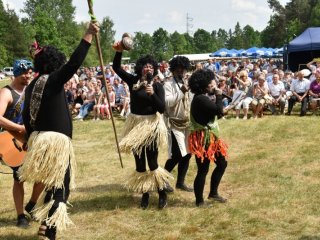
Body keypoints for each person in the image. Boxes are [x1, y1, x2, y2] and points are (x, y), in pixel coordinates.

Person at [19, 22, 99, 240]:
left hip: (40, 141)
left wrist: (30, 139)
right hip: (55, 143)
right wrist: (88, 35)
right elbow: (74, 63)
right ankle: (49, 233)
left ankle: (45, 226)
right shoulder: (53, 81)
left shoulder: (33, 85)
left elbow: (27, 117)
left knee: (53, 186)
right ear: (55, 64)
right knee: (61, 190)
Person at [112, 41, 172, 210]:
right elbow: (116, 68)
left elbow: (162, 109)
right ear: (140, 69)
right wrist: (119, 51)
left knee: (153, 163)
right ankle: (145, 194)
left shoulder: (158, 86)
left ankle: (162, 193)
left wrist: (152, 94)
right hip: (135, 125)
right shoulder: (133, 81)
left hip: (151, 125)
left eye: (151, 66)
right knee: (140, 164)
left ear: (154, 69)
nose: (148, 68)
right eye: (145, 66)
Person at [0, 59, 44, 228]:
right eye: (25, 73)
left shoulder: (30, 90)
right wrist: (19, 127)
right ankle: (20, 216)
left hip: (31, 140)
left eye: (29, 73)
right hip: (13, 142)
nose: (28, 76)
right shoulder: (6, 93)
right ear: (17, 73)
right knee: (19, 178)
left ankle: (32, 204)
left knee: (44, 173)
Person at [188, 69, 228, 207]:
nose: (214, 84)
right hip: (203, 139)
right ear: (205, 84)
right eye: (212, 82)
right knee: (203, 170)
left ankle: (213, 193)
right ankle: (199, 201)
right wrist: (218, 95)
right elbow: (219, 111)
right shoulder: (200, 99)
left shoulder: (202, 97)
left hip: (211, 138)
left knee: (222, 163)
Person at [163, 56, 193, 192]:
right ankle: (162, 180)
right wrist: (182, 92)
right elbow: (168, 103)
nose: (181, 72)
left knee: (187, 153)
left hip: (187, 124)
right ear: (173, 70)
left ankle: (180, 182)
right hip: (174, 124)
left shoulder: (186, 83)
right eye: (178, 69)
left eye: (183, 69)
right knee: (177, 155)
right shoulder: (168, 85)